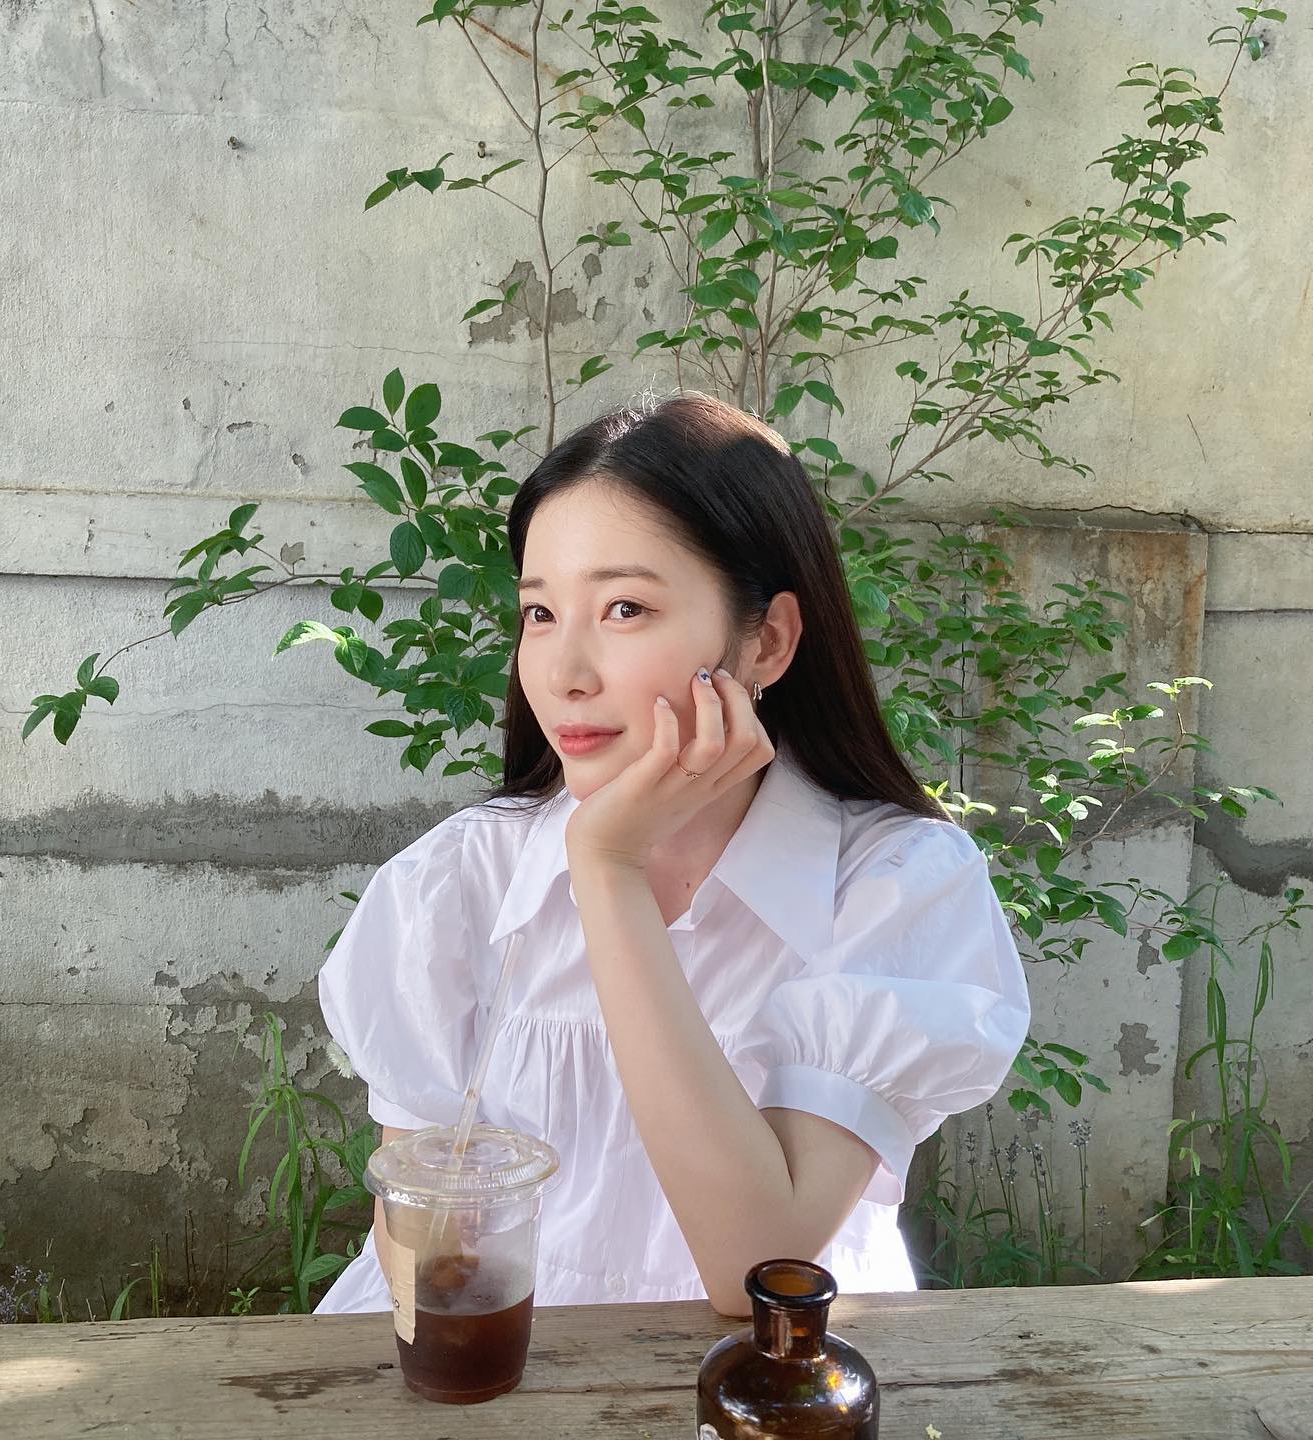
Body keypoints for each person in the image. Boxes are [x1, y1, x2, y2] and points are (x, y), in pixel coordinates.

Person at [314, 391, 1030, 1317]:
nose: (563, 673)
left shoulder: (895, 889)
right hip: (498, 1368)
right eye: (540, 613)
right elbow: (425, 1265)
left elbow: (757, 1267)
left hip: (761, 1378)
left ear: (767, 641)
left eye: (624, 608)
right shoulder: (455, 886)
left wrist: (607, 873)